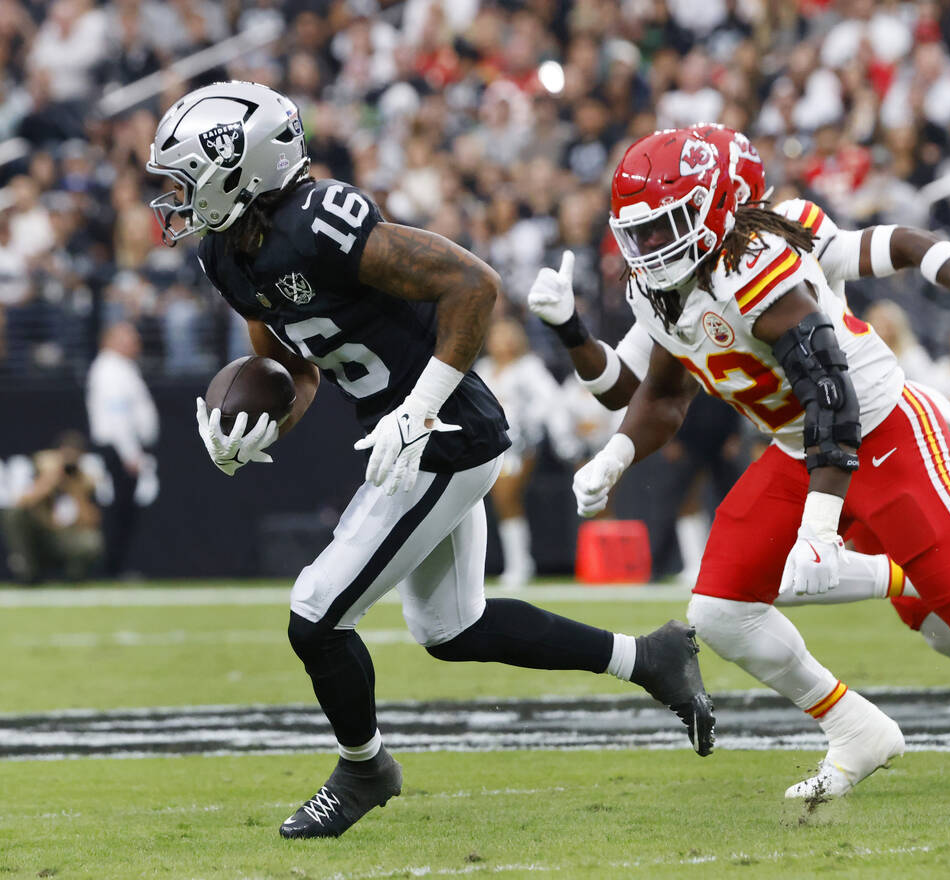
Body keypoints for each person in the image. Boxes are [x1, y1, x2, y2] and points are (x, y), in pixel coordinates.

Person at [145, 81, 714, 839]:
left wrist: (419, 407)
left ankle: (364, 769)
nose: (173, 198)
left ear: (237, 169)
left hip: (440, 430)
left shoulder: (319, 223)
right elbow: (298, 367)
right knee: (452, 628)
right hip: (405, 432)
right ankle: (650, 658)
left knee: (316, 616)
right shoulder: (226, 253)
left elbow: (474, 285)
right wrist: (261, 430)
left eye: (184, 178)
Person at [568, 128, 950, 800]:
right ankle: (852, 726)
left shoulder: (761, 265)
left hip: (878, 430)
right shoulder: (661, 288)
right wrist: (614, 455)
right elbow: (661, 393)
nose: (651, 246)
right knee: (723, 611)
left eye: (668, 222)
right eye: (640, 230)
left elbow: (834, 394)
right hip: (797, 447)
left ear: (720, 206)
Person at [474, 317, 579, 588]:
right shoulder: (484, 368)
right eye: (497, 336)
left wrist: (523, 416)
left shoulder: (528, 367)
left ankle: (519, 564)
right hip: (488, 445)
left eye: (508, 335)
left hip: (520, 444)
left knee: (507, 498)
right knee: (499, 504)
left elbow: (551, 400)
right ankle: (518, 562)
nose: (503, 342)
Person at [86, 321, 158, 577]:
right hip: (118, 451)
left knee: (125, 512)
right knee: (118, 511)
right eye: (129, 338)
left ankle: (115, 568)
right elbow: (117, 416)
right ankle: (111, 569)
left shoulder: (122, 368)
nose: (136, 343)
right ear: (111, 341)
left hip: (123, 450)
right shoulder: (109, 370)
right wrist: (130, 453)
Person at [3, 430, 103, 582]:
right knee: (13, 514)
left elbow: (91, 522)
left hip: (64, 538)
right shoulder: (40, 472)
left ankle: (74, 577)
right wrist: (47, 482)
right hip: (39, 534)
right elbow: (18, 505)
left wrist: (73, 489)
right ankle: (27, 573)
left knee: (91, 541)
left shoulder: (83, 480)